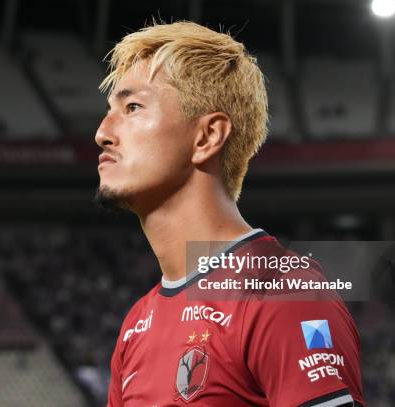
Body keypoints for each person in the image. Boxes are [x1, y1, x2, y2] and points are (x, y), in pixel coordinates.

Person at [95, 21, 364, 407]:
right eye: (110, 110)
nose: (102, 132)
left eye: (132, 107)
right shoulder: (136, 324)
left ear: (206, 138)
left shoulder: (281, 291)